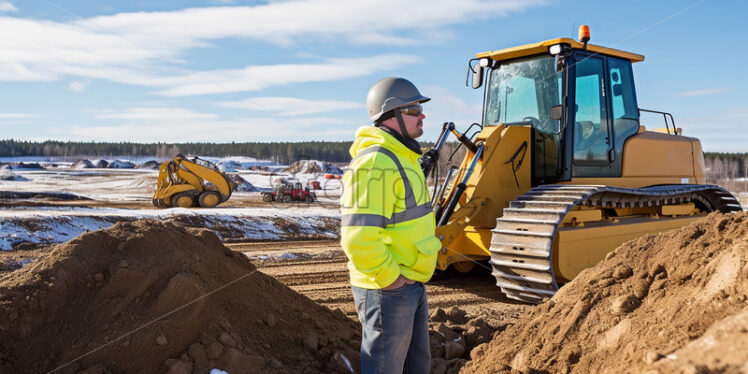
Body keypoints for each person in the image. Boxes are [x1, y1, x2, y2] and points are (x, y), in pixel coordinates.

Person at [340, 77, 442, 374]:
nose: (422, 115)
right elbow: (358, 238)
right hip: (388, 289)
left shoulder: (403, 157)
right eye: (414, 110)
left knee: (415, 367)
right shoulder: (375, 163)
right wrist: (391, 281)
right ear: (391, 116)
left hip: (410, 283)